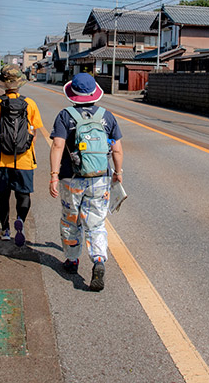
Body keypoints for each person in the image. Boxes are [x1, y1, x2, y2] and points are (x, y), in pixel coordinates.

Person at [49, 73, 123, 291]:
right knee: (96, 222)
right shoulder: (106, 116)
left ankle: (72, 261)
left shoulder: (65, 116)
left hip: (71, 179)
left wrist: (54, 175)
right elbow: (117, 148)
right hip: (100, 177)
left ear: (73, 93)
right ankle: (98, 260)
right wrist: (118, 172)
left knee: (70, 220)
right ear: (94, 93)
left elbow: (57, 146)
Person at [0, 65, 44, 246]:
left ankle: (5, 229)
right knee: (23, 194)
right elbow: (34, 132)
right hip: (24, 159)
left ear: (3, 84)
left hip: (0, 159)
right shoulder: (29, 104)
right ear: (19, 83)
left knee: (3, 195)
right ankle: (20, 220)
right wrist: (28, 149)